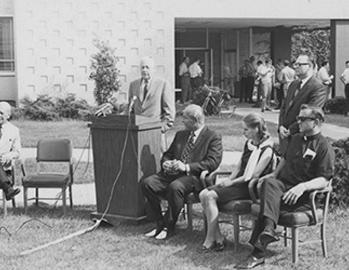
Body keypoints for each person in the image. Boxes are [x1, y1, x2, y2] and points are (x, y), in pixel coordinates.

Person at [236, 105, 334, 269]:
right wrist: (274, 174)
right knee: (268, 182)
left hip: (303, 197)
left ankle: (258, 252)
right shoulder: (296, 139)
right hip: (283, 188)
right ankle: (268, 230)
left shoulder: (324, 146)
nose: (298, 122)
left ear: (316, 122)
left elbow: (324, 180)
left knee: (267, 203)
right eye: (298, 118)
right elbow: (285, 159)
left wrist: (302, 187)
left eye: (302, 119)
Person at [141, 104, 222, 240]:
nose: (182, 121)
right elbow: (168, 154)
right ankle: (159, 222)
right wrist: (166, 163)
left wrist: (186, 167)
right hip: (173, 174)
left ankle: (169, 226)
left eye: (185, 118)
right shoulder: (181, 135)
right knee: (147, 183)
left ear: (195, 120)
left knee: (175, 187)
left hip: (195, 177)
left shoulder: (212, 137)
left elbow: (213, 162)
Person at [199, 113, 275, 251]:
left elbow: (253, 175)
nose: (243, 132)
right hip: (238, 182)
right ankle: (218, 237)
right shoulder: (249, 144)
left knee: (209, 196)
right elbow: (240, 165)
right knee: (203, 193)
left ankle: (210, 239)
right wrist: (230, 179)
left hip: (249, 187)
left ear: (256, 129)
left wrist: (232, 183)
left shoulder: (267, 149)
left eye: (246, 129)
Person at [278, 54, 327, 156]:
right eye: (295, 64)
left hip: (302, 138)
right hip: (285, 136)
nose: (295, 66)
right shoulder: (293, 84)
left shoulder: (318, 87)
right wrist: (281, 126)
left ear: (310, 66)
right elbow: (284, 107)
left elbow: (310, 113)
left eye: (299, 64)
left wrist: (291, 130)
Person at [128, 56, 176, 133]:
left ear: (153, 69)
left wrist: (161, 129)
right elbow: (130, 109)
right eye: (142, 67)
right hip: (136, 134)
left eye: (147, 67)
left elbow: (169, 113)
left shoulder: (163, 84)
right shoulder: (133, 85)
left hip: (155, 134)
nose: (144, 70)